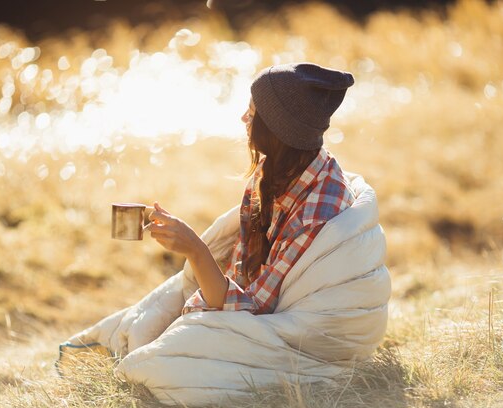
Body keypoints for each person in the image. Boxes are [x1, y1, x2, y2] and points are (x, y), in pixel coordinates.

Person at [146, 62, 356, 315]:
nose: (243, 118)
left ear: (277, 129)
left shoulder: (316, 212)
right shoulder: (272, 172)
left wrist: (195, 249)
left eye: (252, 113)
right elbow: (242, 276)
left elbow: (253, 309)